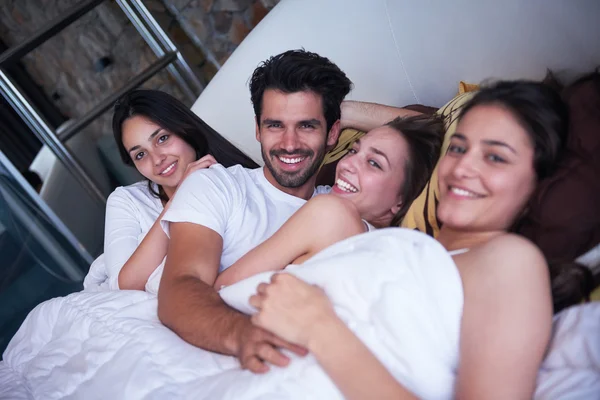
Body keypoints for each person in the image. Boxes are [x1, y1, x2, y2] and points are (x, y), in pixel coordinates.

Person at [249, 81, 575, 399]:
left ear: (537, 185)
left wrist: (321, 329)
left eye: (495, 158)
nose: (463, 167)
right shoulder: (403, 244)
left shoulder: (510, 260)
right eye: (458, 148)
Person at [157, 49, 352, 373]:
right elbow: (180, 286)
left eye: (306, 125)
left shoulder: (342, 206)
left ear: (333, 133)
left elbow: (427, 127)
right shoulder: (216, 186)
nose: (289, 143)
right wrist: (243, 334)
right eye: (275, 125)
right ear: (258, 129)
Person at [213, 114, 443, 288]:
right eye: (353, 151)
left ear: (400, 203)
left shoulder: (332, 213)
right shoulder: (392, 256)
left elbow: (223, 290)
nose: (346, 164)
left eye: (374, 163)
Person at [84, 89, 258, 291]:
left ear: (185, 130)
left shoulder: (234, 179)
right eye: (140, 154)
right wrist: (180, 198)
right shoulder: (127, 201)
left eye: (162, 139)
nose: (157, 159)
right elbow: (123, 287)